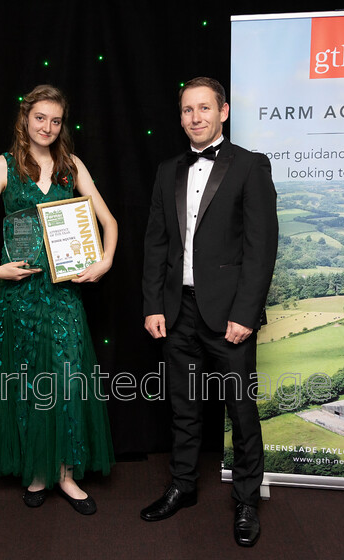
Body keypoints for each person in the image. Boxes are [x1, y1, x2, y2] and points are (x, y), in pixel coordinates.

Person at [0, 84, 117, 515]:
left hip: (64, 295)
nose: (48, 127)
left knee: (67, 381)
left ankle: (66, 476)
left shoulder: (72, 166)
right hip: (20, 296)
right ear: (25, 118)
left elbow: (109, 222)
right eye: (40, 118)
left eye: (55, 120)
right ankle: (35, 473)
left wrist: (104, 261)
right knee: (29, 381)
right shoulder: (3, 166)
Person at [140, 77, 278, 546]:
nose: (194, 117)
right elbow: (156, 243)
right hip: (178, 312)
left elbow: (261, 250)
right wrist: (153, 304)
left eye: (203, 108)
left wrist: (246, 312)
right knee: (183, 407)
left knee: (240, 410)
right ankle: (183, 485)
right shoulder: (167, 170)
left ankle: (246, 501)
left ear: (222, 111)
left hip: (229, 317)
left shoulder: (250, 167)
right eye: (186, 110)